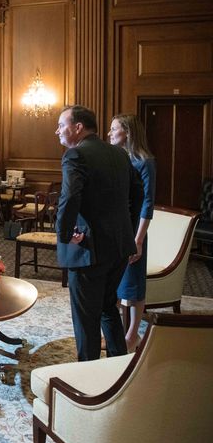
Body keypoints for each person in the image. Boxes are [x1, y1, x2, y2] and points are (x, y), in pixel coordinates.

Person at [54, 105, 143, 362]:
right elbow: (138, 195)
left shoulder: (75, 156)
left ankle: (88, 377)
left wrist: (63, 234)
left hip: (89, 250)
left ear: (78, 127)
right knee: (107, 308)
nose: (57, 130)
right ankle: (119, 364)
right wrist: (127, 227)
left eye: (62, 125)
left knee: (86, 319)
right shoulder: (119, 154)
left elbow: (69, 198)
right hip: (119, 246)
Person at [109, 113, 156, 353]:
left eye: (114, 129)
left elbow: (148, 204)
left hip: (133, 230)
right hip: (116, 228)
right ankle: (114, 332)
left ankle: (132, 335)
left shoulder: (144, 162)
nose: (109, 133)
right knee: (113, 282)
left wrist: (138, 240)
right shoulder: (117, 159)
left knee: (134, 283)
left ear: (126, 132)